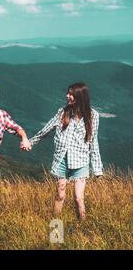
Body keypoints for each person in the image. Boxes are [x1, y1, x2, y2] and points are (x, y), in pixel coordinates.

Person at [28, 83, 103, 220]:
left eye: (71, 94)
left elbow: (93, 142)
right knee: (60, 195)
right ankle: (55, 233)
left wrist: (98, 169)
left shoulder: (93, 116)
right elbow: (46, 129)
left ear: (80, 97)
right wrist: (30, 142)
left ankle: (82, 229)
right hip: (62, 159)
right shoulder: (63, 112)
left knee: (78, 198)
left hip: (81, 161)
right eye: (68, 93)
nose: (67, 96)